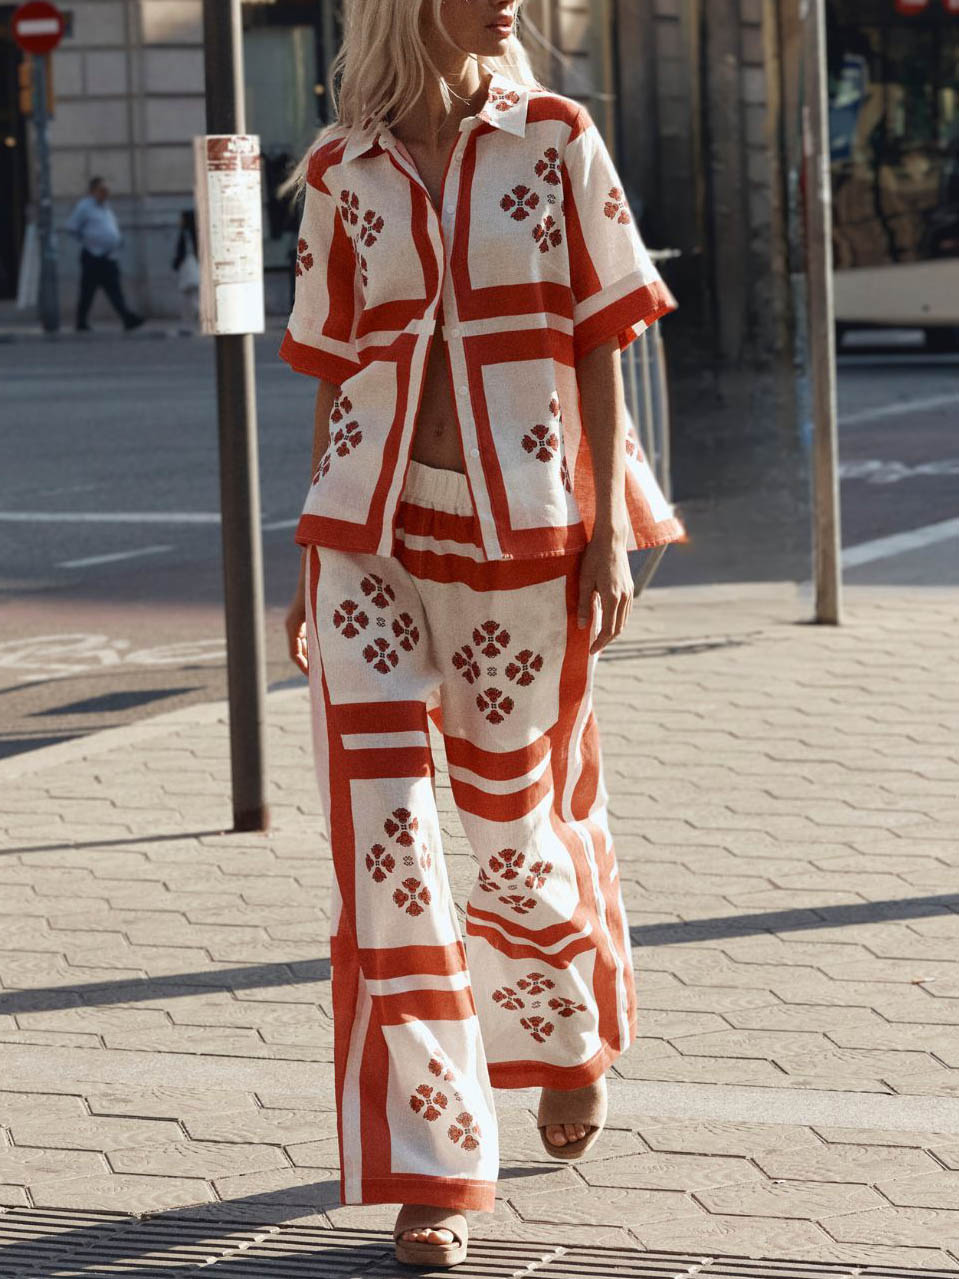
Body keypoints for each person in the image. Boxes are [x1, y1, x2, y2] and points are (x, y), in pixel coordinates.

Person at [281, 0, 683, 1267]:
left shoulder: (555, 139)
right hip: (366, 539)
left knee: (515, 826)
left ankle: (563, 1034)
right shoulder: (337, 169)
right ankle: (439, 1168)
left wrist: (605, 531)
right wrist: (308, 544)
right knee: (385, 853)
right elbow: (335, 359)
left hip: (525, 527)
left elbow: (603, 330)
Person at [65, 177, 144, 332]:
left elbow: (109, 227)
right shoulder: (84, 207)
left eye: (107, 191)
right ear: (93, 191)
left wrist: (117, 240)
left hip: (108, 256)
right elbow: (71, 227)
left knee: (115, 290)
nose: (105, 193)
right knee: (87, 292)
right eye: (102, 190)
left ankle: (128, 319)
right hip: (93, 256)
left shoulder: (106, 207)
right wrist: (88, 240)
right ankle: (81, 322)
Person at [171, 209, 200, 335]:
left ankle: (198, 314)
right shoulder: (197, 232)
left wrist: (176, 263)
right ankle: (189, 321)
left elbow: (182, 251)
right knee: (191, 294)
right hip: (194, 265)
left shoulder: (186, 233)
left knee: (189, 295)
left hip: (188, 266)